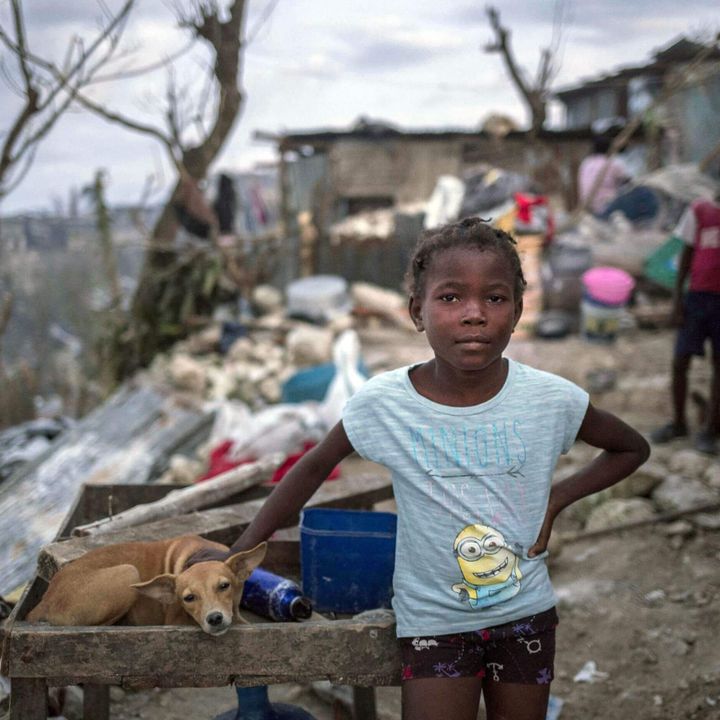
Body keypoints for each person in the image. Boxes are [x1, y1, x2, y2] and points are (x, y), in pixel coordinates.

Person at [189, 217, 650, 720]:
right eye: (450, 298)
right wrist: (236, 556)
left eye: (495, 298)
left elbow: (631, 448)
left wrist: (556, 498)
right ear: (417, 311)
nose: (474, 314)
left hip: (526, 618)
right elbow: (312, 466)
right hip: (434, 622)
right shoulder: (386, 403)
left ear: (517, 312)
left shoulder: (550, 399)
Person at [650, 194, 720, 455]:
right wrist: (677, 300)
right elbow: (687, 257)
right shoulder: (700, 210)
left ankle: (710, 429)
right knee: (680, 361)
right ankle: (679, 422)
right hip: (698, 297)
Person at [578, 135, 630, 215]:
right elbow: (627, 183)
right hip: (606, 207)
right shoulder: (612, 164)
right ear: (609, 148)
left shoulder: (586, 163)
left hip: (588, 206)